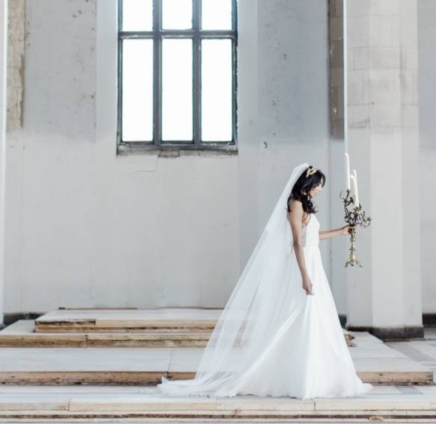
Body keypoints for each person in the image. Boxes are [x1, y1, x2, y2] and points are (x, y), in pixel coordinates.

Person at [157, 163, 372, 399]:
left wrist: (340, 232)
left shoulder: (305, 206)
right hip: (303, 266)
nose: (320, 189)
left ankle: (314, 376)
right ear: (308, 183)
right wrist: (304, 276)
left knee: (314, 318)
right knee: (301, 315)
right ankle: (298, 378)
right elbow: (296, 243)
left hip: (312, 262)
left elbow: (311, 237)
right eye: (318, 185)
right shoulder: (296, 204)